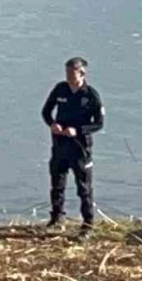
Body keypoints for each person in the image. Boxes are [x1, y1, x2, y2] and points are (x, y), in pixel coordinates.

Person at [41, 57, 105, 237]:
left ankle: (87, 225)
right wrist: (52, 124)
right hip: (60, 145)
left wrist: (78, 130)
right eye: (66, 72)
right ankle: (56, 218)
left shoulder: (91, 95)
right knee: (57, 183)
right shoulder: (60, 89)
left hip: (80, 148)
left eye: (72, 73)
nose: (68, 76)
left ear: (82, 73)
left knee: (84, 188)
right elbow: (46, 111)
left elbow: (99, 124)